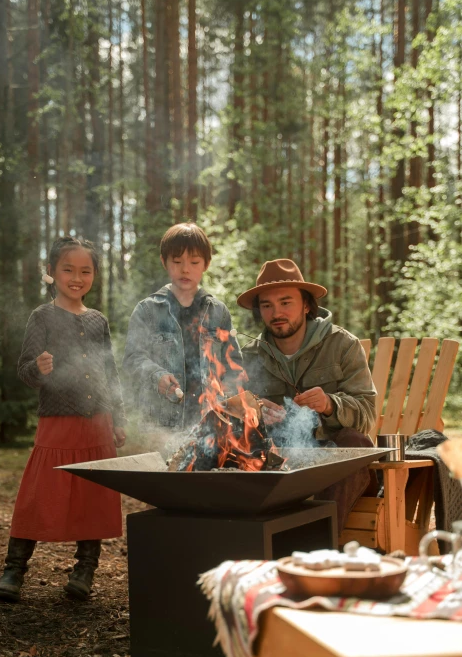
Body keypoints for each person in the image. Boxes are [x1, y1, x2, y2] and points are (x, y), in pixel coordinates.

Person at [0, 236, 127, 603]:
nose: (77, 277)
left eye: (86, 271)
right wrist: (38, 367)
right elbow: (24, 369)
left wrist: (118, 417)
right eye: (68, 269)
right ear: (51, 272)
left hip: (98, 421)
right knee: (39, 495)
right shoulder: (43, 316)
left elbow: (110, 373)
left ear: (95, 275)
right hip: (58, 421)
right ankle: (14, 569)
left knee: (93, 495)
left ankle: (85, 569)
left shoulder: (99, 321)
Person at [237, 258, 377, 533]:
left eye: (286, 302)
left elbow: (367, 413)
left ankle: (317, 544)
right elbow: (236, 421)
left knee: (353, 441)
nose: (277, 312)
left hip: (335, 466)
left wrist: (330, 404)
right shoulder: (249, 356)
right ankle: (246, 544)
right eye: (267, 305)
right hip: (282, 466)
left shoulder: (342, 345)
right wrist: (257, 416)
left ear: (306, 304)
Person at [123, 223, 243, 441]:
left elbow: (233, 365)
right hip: (161, 428)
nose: (185, 269)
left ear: (206, 264)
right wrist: (156, 375)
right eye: (177, 262)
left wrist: (227, 398)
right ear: (164, 262)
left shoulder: (218, 313)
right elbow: (132, 359)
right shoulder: (148, 310)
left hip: (210, 426)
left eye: (194, 262)